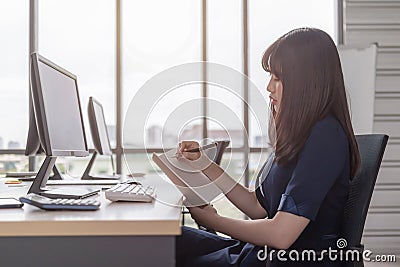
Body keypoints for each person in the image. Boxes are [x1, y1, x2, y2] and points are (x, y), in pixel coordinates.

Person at [175, 27, 360, 267]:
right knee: (167, 239)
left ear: (304, 82)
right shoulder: (302, 135)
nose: (269, 87)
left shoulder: (326, 137)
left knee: (163, 251)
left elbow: (281, 235)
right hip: (262, 252)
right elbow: (259, 208)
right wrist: (204, 165)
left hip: (285, 260)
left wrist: (214, 221)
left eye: (278, 77)